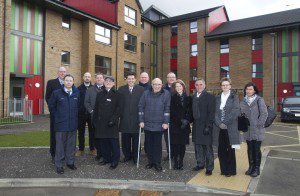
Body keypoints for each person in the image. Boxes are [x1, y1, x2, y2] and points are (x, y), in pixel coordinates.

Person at [48, 74, 79, 174]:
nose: (69, 82)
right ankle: (59, 165)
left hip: (72, 124)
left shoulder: (77, 93)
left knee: (71, 145)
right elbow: (51, 106)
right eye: (67, 80)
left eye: (70, 80)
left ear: (73, 82)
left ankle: (70, 162)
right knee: (60, 146)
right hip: (61, 124)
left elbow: (79, 108)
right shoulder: (56, 93)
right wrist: (58, 116)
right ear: (64, 82)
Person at [138, 78, 171, 172]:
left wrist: (166, 122)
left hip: (159, 124)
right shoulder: (146, 93)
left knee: (157, 145)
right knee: (148, 145)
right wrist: (141, 120)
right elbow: (141, 107)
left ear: (161, 85)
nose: (157, 86)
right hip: (147, 123)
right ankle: (150, 162)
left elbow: (167, 109)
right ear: (152, 85)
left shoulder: (166, 94)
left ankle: (157, 163)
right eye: (155, 84)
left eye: (159, 84)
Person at [93, 76, 123, 169]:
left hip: (112, 123)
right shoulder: (100, 94)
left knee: (113, 143)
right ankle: (106, 159)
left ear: (114, 83)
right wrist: (94, 121)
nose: (108, 82)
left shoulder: (118, 94)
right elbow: (96, 108)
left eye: (110, 81)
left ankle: (115, 161)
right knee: (103, 143)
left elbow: (119, 109)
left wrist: (113, 120)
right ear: (104, 82)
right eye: (106, 81)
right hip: (101, 123)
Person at [213, 78, 240, 177]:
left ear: (230, 86)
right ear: (221, 86)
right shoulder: (217, 97)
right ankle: (223, 170)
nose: (225, 87)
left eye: (227, 85)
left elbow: (236, 111)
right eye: (223, 85)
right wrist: (219, 123)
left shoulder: (234, 97)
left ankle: (231, 170)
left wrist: (225, 122)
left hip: (230, 127)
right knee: (221, 150)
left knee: (230, 149)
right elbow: (214, 112)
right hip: (219, 128)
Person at [240, 82, 268, 177]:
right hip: (247, 130)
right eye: (247, 89)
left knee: (256, 149)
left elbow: (264, 113)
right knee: (250, 149)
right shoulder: (243, 101)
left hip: (257, 129)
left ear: (254, 90)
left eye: (250, 89)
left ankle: (257, 169)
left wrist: (259, 125)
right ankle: (251, 167)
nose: (248, 91)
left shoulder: (259, 100)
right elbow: (241, 114)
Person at [118, 73, 144, 164]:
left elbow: (143, 104)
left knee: (136, 140)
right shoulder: (121, 89)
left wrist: (142, 118)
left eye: (132, 78)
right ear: (126, 79)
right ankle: (127, 156)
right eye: (129, 79)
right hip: (124, 119)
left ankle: (135, 157)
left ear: (135, 79)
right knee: (125, 140)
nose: (131, 80)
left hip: (136, 120)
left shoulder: (141, 90)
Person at [192, 78, 215, 176]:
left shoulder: (210, 97)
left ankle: (209, 167)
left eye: (201, 84)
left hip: (206, 126)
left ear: (204, 85)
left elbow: (211, 113)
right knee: (198, 147)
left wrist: (208, 126)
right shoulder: (193, 96)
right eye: (197, 85)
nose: (199, 86)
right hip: (196, 126)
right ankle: (200, 164)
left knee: (207, 148)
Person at [45, 66, 67, 163]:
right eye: (61, 71)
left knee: (65, 135)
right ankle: (54, 154)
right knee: (54, 134)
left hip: (66, 115)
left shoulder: (69, 83)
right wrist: (53, 111)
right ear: (58, 73)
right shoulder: (51, 83)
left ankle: (64, 153)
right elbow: (48, 98)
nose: (62, 73)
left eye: (64, 72)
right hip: (56, 115)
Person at [169, 79, 192, 170]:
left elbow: (190, 111)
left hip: (185, 126)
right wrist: (180, 120)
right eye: (176, 86)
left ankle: (181, 161)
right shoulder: (172, 98)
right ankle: (176, 162)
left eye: (180, 86)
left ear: (183, 87)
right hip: (175, 125)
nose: (178, 88)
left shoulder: (188, 98)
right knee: (175, 144)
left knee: (182, 145)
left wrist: (187, 120)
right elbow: (172, 111)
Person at [84, 73, 105, 161]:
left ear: (103, 79)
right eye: (97, 78)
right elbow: (86, 102)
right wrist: (91, 111)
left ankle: (105, 152)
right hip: (95, 117)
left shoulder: (107, 89)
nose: (99, 79)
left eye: (101, 78)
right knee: (96, 135)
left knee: (105, 135)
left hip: (105, 118)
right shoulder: (90, 90)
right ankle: (99, 153)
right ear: (95, 79)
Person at [76, 72, 95, 157]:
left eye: (89, 77)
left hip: (91, 114)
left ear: (91, 78)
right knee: (81, 132)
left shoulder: (94, 88)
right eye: (86, 76)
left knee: (92, 132)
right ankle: (81, 149)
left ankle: (92, 149)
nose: (87, 78)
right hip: (81, 114)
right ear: (83, 78)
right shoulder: (79, 88)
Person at [163, 72, 177, 160]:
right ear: (167, 78)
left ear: (175, 78)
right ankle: (170, 154)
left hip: (176, 117)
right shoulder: (163, 88)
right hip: (166, 116)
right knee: (167, 137)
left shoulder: (179, 87)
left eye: (173, 77)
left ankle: (176, 154)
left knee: (176, 137)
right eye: (169, 77)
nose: (171, 79)